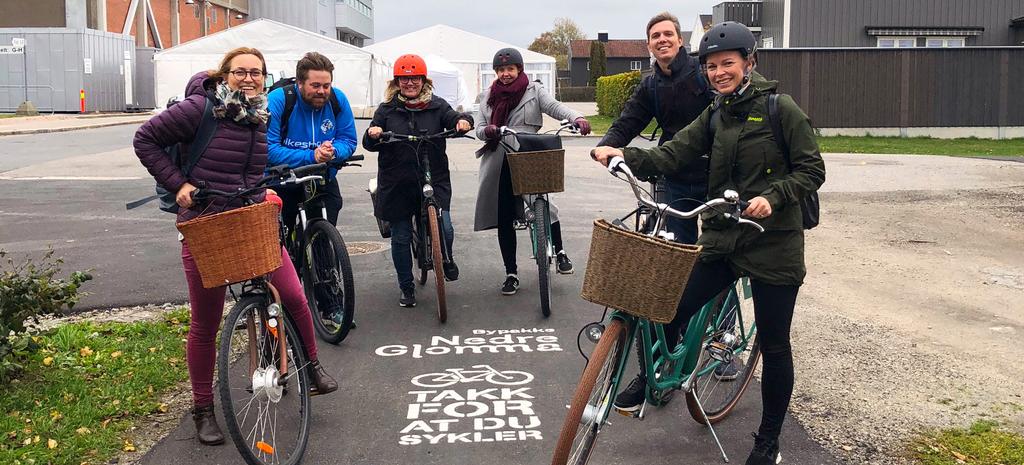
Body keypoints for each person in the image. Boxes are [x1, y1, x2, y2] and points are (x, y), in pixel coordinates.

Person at [591, 22, 826, 465]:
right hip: (722, 237)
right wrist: (622, 155)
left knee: (775, 344)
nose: (720, 72)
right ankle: (663, 373)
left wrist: (771, 199)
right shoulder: (717, 114)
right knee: (669, 307)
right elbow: (674, 153)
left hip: (772, 241)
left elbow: (812, 170)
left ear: (748, 63)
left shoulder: (781, 108)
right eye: (713, 66)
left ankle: (767, 441)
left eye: (728, 64)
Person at [133, 47, 338, 447]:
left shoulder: (258, 116)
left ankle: (310, 367)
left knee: (294, 294)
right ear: (224, 74)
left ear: (265, 78)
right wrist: (179, 185)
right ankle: (203, 409)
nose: (249, 79)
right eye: (241, 72)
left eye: (256, 73)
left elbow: (250, 170)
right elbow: (145, 139)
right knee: (205, 324)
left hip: (248, 219)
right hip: (205, 222)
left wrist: (266, 192)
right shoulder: (201, 109)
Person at [473, 47, 592, 295]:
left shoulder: (534, 90)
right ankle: (511, 273)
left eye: (510, 69)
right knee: (504, 215)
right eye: (501, 70)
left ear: (519, 69)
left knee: (545, 205)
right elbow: (479, 128)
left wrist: (577, 118)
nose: (506, 74)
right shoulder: (487, 97)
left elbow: (556, 107)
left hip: (529, 155)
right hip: (499, 159)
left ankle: (559, 251)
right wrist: (490, 130)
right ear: (496, 72)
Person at [363, 54, 473, 308]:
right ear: (397, 81)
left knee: (444, 227)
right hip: (397, 180)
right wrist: (374, 133)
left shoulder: (437, 105)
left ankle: (445, 257)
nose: (410, 83)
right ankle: (406, 286)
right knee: (401, 236)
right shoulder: (387, 109)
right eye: (405, 78)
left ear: (424, 81)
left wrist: (463, 122)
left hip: (433, 175)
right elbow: (369, 141)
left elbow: (455, 118)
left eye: (415, 78)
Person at [597, 11, 713, 246]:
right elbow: (629, 120)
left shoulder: (703, 72)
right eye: (655, 36)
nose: (662, 39)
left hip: (714, 171)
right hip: (676, 174)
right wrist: (605, 146)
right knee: (679, 248)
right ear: (649, 45)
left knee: (718, 245)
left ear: (680, 40)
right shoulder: (650, 85)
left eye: (668, 34)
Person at [266, 51, 358, 235]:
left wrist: (333, 152)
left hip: (321, 177)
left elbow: (348, 139)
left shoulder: (337, 99)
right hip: (283, 180)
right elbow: (269, 149)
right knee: (281, 238)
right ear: (299, 83)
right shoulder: (278, 100)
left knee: (325, 231)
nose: (322, 91)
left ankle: (323, 258)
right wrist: (312, 156)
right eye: (315, 85)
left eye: (326, 85)